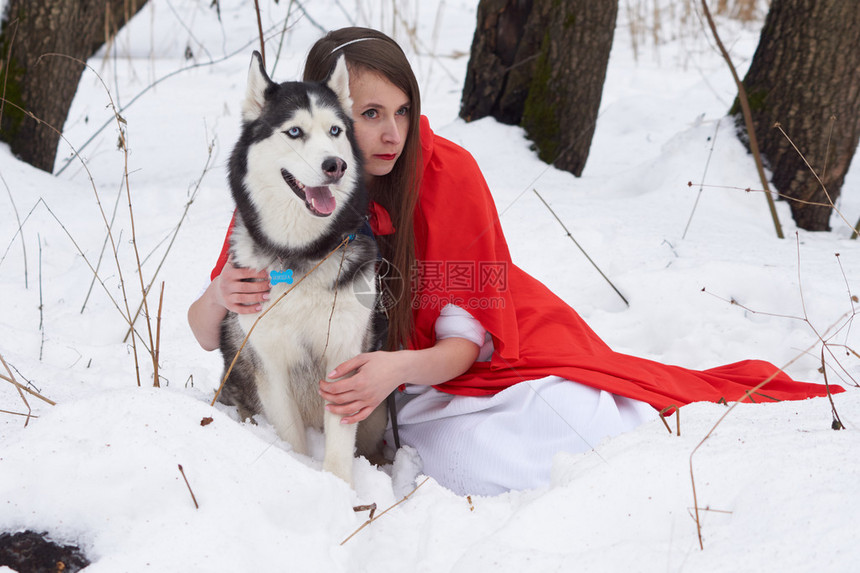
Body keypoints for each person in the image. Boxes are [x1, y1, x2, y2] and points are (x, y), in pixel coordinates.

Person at [188, 27, 842, 496]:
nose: (391, 133)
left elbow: (468, 336)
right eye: (367, 114)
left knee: (567, 430)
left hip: (482, 346)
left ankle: (631, 426)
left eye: (402, 113)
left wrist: (395, 367)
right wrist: (224, 292)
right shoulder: (287, 184)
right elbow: (206, 327)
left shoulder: (448, 174)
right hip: (405, 389)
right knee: (458, 464)